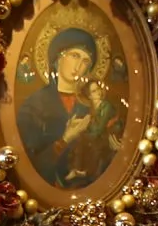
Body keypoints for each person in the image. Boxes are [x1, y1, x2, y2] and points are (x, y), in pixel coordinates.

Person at [16, 27, 124, 189]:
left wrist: (115, 148)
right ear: (59, 58)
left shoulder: (91, 104)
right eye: (75, 56)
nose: (79, 65)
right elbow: (27, 161)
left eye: (85, 61)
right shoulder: (35, 103)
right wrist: (64, 139)